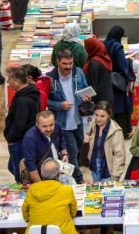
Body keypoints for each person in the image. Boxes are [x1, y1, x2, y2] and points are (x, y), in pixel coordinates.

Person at [47, 49, 91, 184]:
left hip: (79, 121)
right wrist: (60, 105)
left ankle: (67, 174)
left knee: (77, 150)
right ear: (57, 62)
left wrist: (86, 97)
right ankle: (79, 179)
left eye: (70, 63)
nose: (68, 67)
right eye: (64, 63)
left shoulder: (78, 73)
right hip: (63, 123)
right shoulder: (50, 78)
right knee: (72, 152)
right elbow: (46, 101)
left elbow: (85, 88)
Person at [4, 66, 41, 182]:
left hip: (19, 142)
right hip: (24, 140)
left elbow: (19, 124)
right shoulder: (29, 93)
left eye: (9, 79)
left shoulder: (22, 100)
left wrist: (10, 138)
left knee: (20, 175)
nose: (8, 82)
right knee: (12, 167)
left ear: (17, 81)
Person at [22, 159, 78, 234]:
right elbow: (73, 213)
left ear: (41, 174)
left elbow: (25, 215)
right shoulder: (66, 190)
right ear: (58, 175)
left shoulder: (32, 190)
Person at [104, 26, 136, 135]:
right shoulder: (117, 46)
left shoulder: (104, 44)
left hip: (108, 81)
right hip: (119, 82)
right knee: (121, 107)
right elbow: (123, 65)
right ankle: (123, 131)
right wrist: (129, 61)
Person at [21, 111, 69, 183]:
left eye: (51, 125)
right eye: (45, 126)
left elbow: (61, 141)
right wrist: (41, 186)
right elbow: (31, 165)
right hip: (41, 176)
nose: (49, 129)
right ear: (37, 124)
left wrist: (64, 154)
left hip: (58, 171)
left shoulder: (57, 127)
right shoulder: (30, 138)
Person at [83, 101, 125, 182]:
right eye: (96, 115)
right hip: (94, 168)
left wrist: (115, 176)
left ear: (109, 115)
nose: (98, 119)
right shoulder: (93, 125)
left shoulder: (116, 131)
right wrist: (86, 142)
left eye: (102, 116)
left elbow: (119, 156)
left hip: (108, 171)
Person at [83, 36, 113, 105]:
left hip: (98, 102)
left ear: (91, 48)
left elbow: (92, 85)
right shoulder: (105, 59)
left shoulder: (94, 63)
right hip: (107, 98)